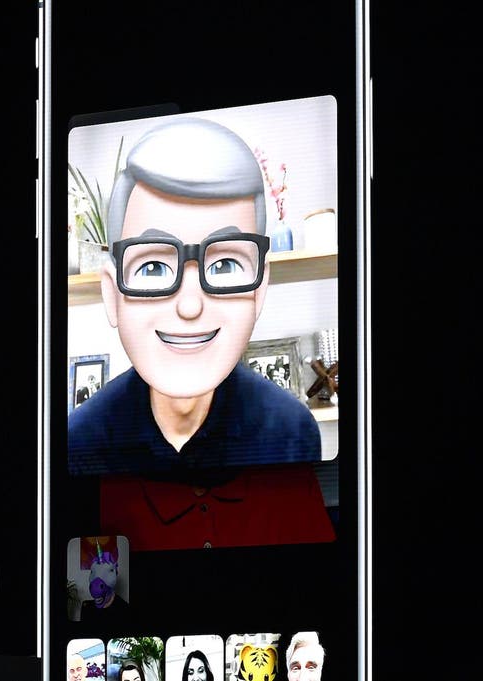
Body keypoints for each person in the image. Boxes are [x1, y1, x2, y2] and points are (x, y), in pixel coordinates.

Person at [67, 117, 334, 550]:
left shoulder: (289, 431)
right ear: (112, 293)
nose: (189, 306)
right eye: (152, 267)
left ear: (259, 289)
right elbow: (88, 602)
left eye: (224, 266)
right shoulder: (79, 445)